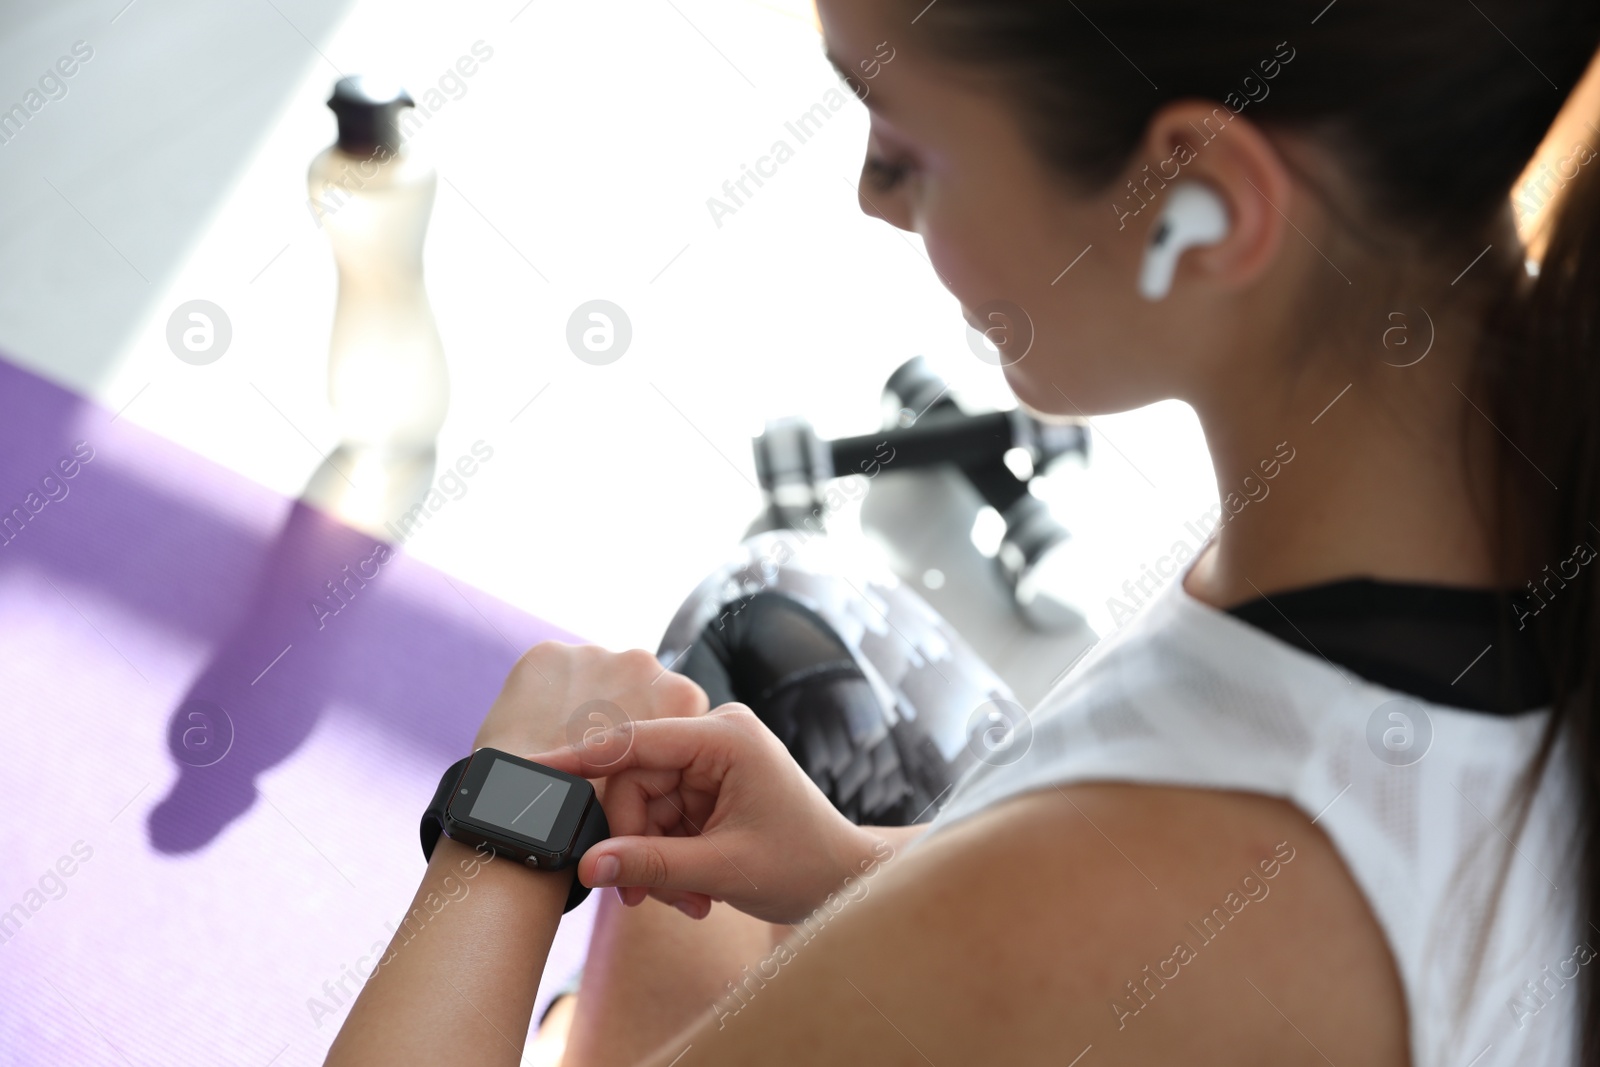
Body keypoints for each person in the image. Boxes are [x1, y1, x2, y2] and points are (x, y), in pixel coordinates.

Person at [324, 0, 1600, 1063]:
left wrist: (506, 809)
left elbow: (1103, 928)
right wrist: (848, 868)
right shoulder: (1514, 447)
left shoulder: (1164, 890)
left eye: (907, 141)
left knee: (617, 759)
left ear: (1196, 199)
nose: (874, 194)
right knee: (766, 608)